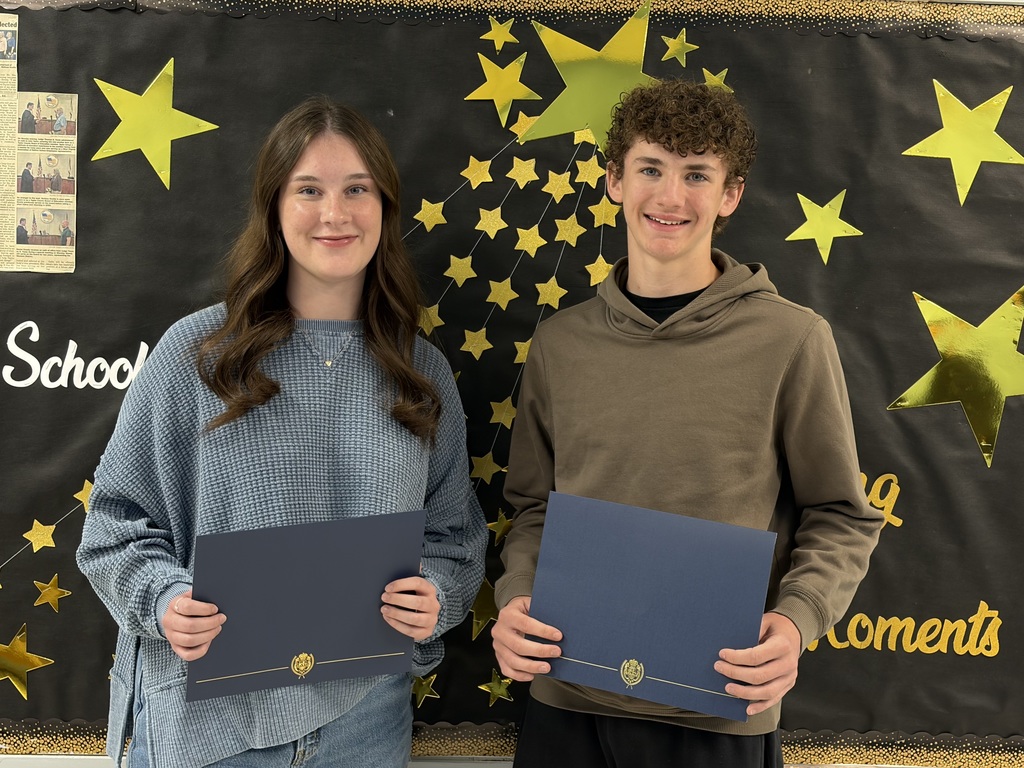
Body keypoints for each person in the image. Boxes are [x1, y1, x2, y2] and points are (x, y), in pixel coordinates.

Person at [77, 95, 487, 768]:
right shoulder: (196, 357)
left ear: (384, 206)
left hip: (365, 723)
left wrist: (435, 595)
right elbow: (114, 526)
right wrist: (165, 600)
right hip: (210, 726)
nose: (335, 213)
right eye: (309, 190)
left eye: (357, 189)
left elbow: (455, 539)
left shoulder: (422, 371)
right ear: (273, 207)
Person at [492, 79, 884, 768]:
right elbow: (531, 510)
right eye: (651, 169)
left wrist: (795, 625)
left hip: (719, 712)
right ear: (615, 180)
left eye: (696, 174)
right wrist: (516, 598)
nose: (670, 198)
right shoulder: (561, 344)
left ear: (729, 194)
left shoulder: (792, 339)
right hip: (567, 706)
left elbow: (841, 515)